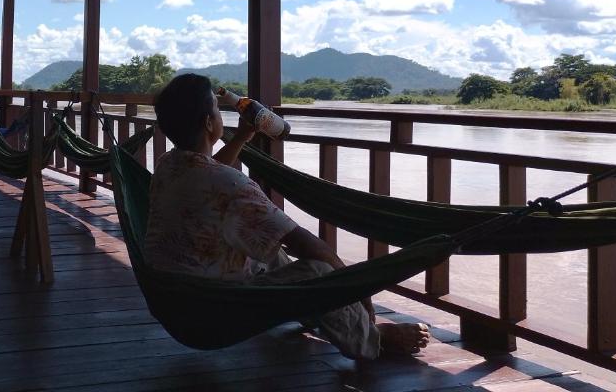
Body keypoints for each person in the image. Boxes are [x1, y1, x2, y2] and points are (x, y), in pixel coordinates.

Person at [143, 73, 430, 359]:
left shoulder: (169, 165)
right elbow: (311, 247)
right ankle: (372, 339)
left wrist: (243, 135)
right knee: (318, 270)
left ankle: (313, 312)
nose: (221, 114)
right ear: (208, 123)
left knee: (269, 249)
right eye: (217, 110)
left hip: (173, 301)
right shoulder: (231, 185)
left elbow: (209, 173)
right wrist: (357, 288)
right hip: (216, 307)